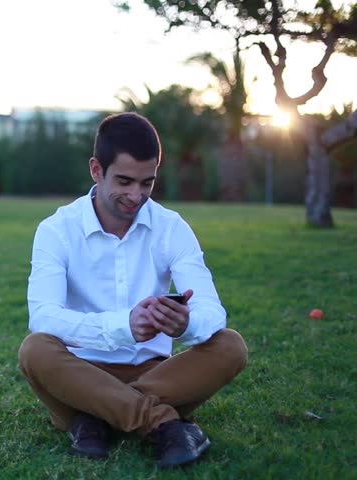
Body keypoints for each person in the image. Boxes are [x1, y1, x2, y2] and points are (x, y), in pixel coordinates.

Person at [17, 112, 247, 468]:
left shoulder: (171, 227)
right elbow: (43, 316)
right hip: (80, 375)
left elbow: (212, 311)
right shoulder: (57, 229)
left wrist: (184, 325)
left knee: (231, 345)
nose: (135, 195)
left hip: (157, 376)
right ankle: (160, 423)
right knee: (35, 349)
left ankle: (96, 419)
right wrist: (124, 325)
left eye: (147, 183)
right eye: (124, 181)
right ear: (96, 169)